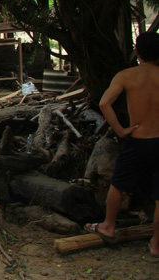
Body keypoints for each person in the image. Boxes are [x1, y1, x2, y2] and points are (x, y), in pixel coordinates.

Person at [86, 32, 159, 257]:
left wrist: (120, 130)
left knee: (118, 184)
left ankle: (108, 226)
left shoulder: (126, 75)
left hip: (137, 140)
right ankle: (156, 244)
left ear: (137, 52)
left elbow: (104, 102)